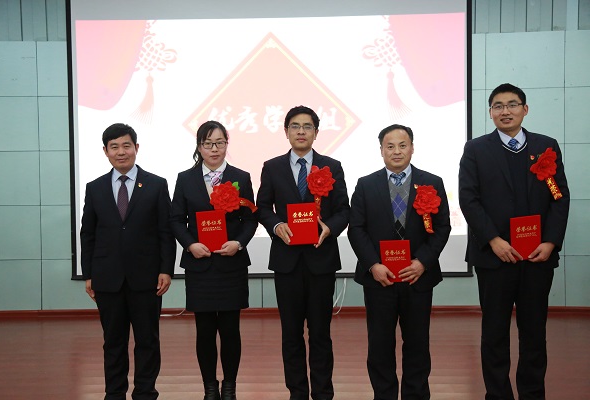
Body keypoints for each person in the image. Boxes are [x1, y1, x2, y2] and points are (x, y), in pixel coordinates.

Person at [459, 83, 570, 400]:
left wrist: (550, 242)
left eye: (512, 104)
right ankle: (497, 395)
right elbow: (469, 199)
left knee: (534, 332)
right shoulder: (476, 149)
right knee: (494, 332)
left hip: (537, 257)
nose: (505, 111)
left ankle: (532, 393)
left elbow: (559, 197)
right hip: (494, 258)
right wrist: (493, 240)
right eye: (498, 106)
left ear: (525, 109)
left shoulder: (546, 146)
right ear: (490, 112)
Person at [347, 124, 451, 400]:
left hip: (417, 277)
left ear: (412, 148)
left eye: (402, 145)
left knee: (417, 343)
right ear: (381, 150)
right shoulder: (366, 184)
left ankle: (416, 394)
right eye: (390, 146)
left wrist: (423, 262)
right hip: (379, 279)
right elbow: (356, 228)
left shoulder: (432, 182)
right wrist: (373, 264)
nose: (396, 151)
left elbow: (442, 227)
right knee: (379, 345)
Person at [256, 105, 350, 400]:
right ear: (286, 131)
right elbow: (262, 207)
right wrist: (276, 225)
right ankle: (297, 392)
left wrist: (329, 228)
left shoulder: (331, 166)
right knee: (291, 333)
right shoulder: (272, 167)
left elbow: (344, 210)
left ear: (316, 132)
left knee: (321, 333)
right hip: (287, 262)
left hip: (321, 260)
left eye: (307, 126)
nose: (301, 131)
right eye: (295, 126)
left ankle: (323, 393)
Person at [80, 123, 176, 400]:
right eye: (114, 147)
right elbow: (88, 234)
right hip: (107, 277)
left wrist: (166, 269)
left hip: (146, 277)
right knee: (113, 341)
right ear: (105, 151)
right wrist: (89, 274)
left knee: (147, 340)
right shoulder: (95, 188)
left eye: (126, 145)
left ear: (136, 148)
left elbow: (165, 232)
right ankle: (114, 393)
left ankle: (145, 392)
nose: (121, 152)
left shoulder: (156, 184)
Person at [170, 120, 258, 400]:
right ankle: (210, 387)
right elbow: (176, 219)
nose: (214, 149)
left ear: (226, 144)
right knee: (205, 330)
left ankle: (229, 386)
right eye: (208, 143)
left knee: (231, 330)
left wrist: (238, 243)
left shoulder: (240, 177)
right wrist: (190, 244)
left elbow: (251, 218)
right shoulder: (186, 179)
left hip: (231, 264)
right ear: (199, 147)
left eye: (220, 143)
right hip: (200, 265)